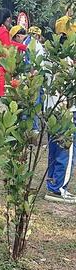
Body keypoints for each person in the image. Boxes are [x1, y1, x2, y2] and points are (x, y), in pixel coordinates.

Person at [45, 16, 76, 203]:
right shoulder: (67, 61)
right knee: (66, 149)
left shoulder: (51, 56)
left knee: (55, 150)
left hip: (51, 109)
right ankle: (58, 188)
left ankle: (53, 184)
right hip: (65, 110)